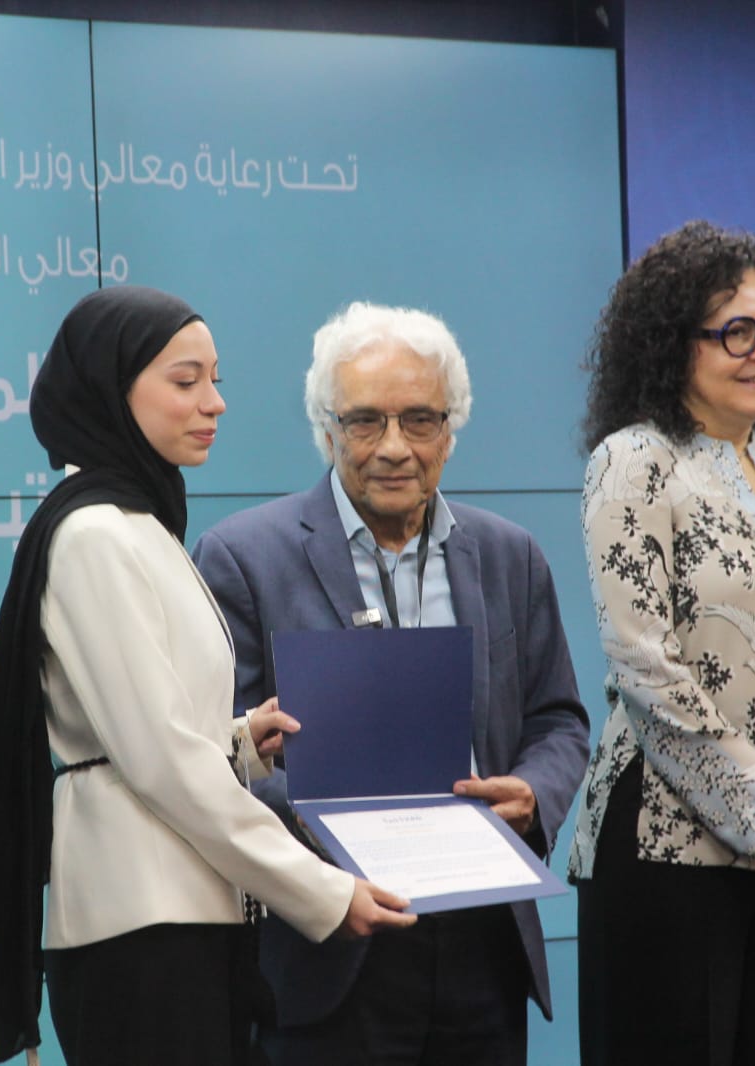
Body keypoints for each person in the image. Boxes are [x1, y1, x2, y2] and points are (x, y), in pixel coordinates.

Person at [0, 286, 415, 1066]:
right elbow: (162, 763)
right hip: (138, 925)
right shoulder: (96, 534)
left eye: (215, 378)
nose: (215, 402)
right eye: (186, 381)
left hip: (179, 915)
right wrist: (319, 889)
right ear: (114, 391)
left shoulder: (139, 522)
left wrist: (239, 742)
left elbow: (147, 737)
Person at [193, 301, 590, 1066]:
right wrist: (332, 830)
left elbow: (558, 720)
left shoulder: (510, 556)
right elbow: (215, 756)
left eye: (420, 420)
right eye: (366, 422)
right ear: (328, 429)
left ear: (451, 429)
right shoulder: (242, 558)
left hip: (482, 942)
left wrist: (534, 793)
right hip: (329, 948)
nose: (395, 448)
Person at [567, 220, 755, 1065]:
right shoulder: (634, 461)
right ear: (675, 344)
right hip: (668, 848)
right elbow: (645, 668)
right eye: (738, 331)